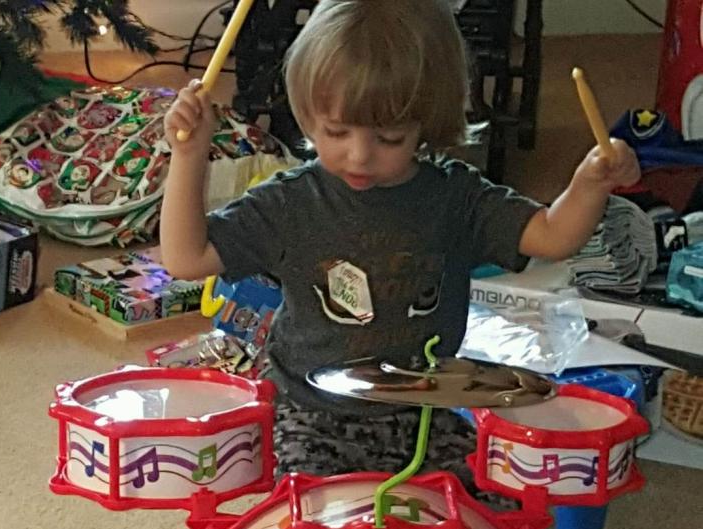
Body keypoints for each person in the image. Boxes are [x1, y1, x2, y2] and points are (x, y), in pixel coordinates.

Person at [160, 0, 640, 483]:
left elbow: (554, 237)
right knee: (317, 515)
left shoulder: (455, 196)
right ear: (307, 114)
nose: (360, 154)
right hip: (311, 412)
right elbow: (185, 257)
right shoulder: (291, 203)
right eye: (336, 131)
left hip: (426, 410)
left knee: (489, 506)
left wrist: (589, 184)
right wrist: (189, 153)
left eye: (389, 137)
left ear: (427, 121)